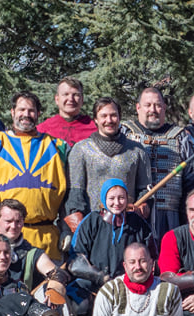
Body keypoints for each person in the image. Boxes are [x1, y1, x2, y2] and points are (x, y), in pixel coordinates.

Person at [0, 92, 71, 258]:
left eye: (31, 110)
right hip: (2, 239)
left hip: (46, 238)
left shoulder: (58, 147)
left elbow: (69, 190)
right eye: (21, 109)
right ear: (12, 112)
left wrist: (67, 227)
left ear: (38, 114)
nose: (26, 115)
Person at [65, 97, 152, 232]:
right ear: (95, 119)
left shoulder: (137, 151)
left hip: (128, 225)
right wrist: (80, 230)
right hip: (93, 226)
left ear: (119, 117)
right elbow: (75, 192)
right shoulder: (81, 149)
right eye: (103, 116)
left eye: (113, 115)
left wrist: (143, 207)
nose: (109, 120)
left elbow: (145, 189)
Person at [122, 86, 194, 242]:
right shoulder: (125, 133)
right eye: (148, 105)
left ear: (164, 107)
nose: (153, 109)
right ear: (138, 107)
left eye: (157, 105)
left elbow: (193, 179)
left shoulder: (180, 136)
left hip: (170, 214)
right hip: (132, 211)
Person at [36, 77, 97, 147]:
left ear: (82, 99)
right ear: (57, 99)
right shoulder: (42, 130)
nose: (71, 99)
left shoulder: (95, 129)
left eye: (76, 95)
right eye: (65, 94)